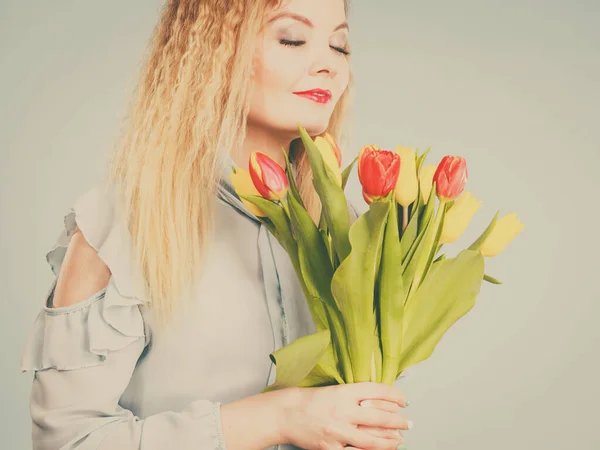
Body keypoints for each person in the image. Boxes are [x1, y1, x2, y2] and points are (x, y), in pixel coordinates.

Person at [20, 1, 412, 449]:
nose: (328, 65)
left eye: (339, 45)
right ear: (215, 51)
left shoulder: (348, 228)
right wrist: (279, 417)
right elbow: (69, 441)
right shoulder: (121, 226)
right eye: (292, 39)